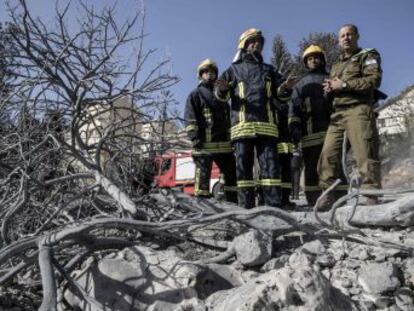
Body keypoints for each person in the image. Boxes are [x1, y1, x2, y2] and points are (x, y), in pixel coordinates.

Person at [215, 28, 295, 209]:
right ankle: (246, 209)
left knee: (271, 170)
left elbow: (281, 97)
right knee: (243, 171)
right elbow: (221, 97)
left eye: (259, 41)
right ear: (244, 45)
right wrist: (222, 90)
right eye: (252, 41)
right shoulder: (233, 70)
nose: (257, 44)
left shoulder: (269, 70)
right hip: (242, 128)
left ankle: (272, 207)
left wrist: (285, 88)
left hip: (267, 128)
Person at [317, 24, 382, 209]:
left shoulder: (367, 56)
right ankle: (329, 193)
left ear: (357, 36)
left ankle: (372, 194)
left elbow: (373, 81)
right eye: (342, 36)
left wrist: (344, 85)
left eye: (349, 34)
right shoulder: (337, 64)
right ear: (338, 40)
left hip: (358, 110)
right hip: (337, 114)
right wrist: (329, 89)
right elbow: (334, 88)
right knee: (328, 155)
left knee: (365, 153)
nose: (346, 38)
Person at [184, 59, 238, 203]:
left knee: (230, 172)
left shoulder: (222, 96)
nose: (210, 74)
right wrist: (194, 137)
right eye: (206, 72)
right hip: (204, 144)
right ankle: (202, 204)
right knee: (203, 174)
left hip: (224, 143)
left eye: (212, 72)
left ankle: (231, 200)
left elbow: (229, 118)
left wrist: (232, 137)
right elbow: (190, 118)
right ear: (201, 75)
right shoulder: (195, 95)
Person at [288, 45, 334, 206]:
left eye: (316, 57)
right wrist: (294, 126)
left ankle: (336, 196)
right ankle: (313, 199)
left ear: (322, 60)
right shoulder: (300, 85)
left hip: (333, 131)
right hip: (309, 134)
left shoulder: (331, 79)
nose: (313, 61)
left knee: (333, 166)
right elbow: (294, 107)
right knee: (311, 167)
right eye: (309, 59)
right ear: (305, 63)